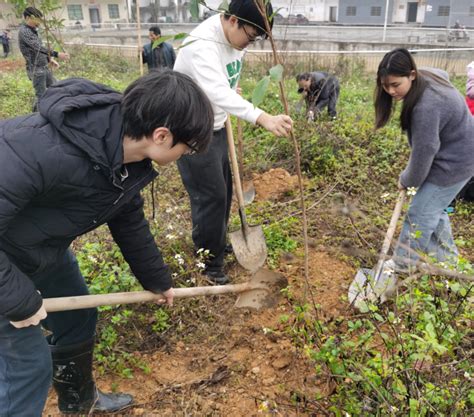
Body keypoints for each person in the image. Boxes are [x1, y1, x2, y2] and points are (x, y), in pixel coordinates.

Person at [0, 70, 214, 416]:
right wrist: (18, 299)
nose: (184, 156)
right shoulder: (37, 149)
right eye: (186, 149)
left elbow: (128, 220)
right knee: (25, 368)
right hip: (4, 266)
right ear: (162, 135)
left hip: (38, 249)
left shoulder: (125, 158)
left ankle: (80, 402)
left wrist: (157, 280)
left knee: (79, 318)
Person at [174, 0, 293, 284]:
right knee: (210, 196)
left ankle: (216, 239)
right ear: (231, 20)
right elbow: (216, 90)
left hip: (216, 126)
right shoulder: (202, 44)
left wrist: (231, 89)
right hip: (191, 131)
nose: (248, 45)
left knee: (225, 191)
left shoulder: (235, 41)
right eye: (250, 37)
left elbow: (223, 84)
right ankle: (209, 263)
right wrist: (262, 117)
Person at [373, 48, 474, 289]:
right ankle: (450, 265)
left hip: (455, 163)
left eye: (395, 84)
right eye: (385, 86)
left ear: (412, 75)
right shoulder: (428, 76)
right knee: (434, 210)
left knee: (419, 214)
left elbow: (425, 150)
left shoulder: (426, 106)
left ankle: (402, 267)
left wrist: (406, 179)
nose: (390, 91)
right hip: (458, 151)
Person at [18, 7, 70, 110]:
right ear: (28, 18)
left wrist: (49, 59)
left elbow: (39, 48)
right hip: (36, 69)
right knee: (41, 96)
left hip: (44, 67)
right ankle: (36, 118)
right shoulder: (25, 32)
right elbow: (38, 48)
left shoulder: (33, 30)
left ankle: (53, 109)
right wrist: (57, 54)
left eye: (39, 20)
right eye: (36, 19)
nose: (39, 22)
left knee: (56, 88)